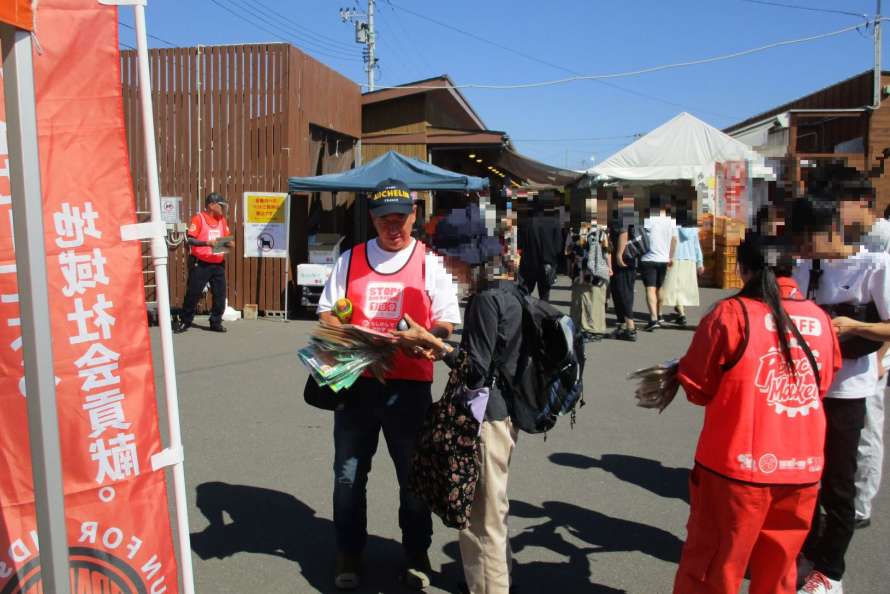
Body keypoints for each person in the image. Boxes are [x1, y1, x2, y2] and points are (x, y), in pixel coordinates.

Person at [673, 233, 841, 594]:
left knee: (715, 567)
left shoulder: (730, 314)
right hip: (802, 469)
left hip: (736, 469)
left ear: (741, 268)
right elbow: (822, 384)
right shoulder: (820, 319)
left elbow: (698, 388)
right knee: (779, 571)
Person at [316, 178, 461, 591]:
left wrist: (427, 335)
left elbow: (447, 322)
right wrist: (342, 326)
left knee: (413, 480)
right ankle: (350, 551)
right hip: (356, 385)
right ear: (373, 219)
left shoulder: (429, 262)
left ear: (415, 216)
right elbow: (328, 312)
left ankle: (416, 551)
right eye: (384, 220)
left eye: (401, 219)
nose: (393, 228)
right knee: (347, 477)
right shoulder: (350, 258)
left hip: (409, 388)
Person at [391, 203, 523, 594]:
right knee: (495, 509)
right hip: (508, 411)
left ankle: (489, 589)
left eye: (449, 261)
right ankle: (502, 578)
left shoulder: (484, 300)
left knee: (480, 518)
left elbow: (475, 370)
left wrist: (432, 344)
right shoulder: (511, 286)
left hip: (486, 414)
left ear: (467, 258)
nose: (448, 270)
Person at [790, 167, 890, 594]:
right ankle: (807, 554)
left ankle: (830, 573)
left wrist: (852, 326)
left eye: (809, 237)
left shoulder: (876, 264)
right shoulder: (804, 266)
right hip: (806, 389)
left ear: (832, 229)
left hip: (849, 389)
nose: (803, 247)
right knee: (804, 479)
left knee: (837, 485)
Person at [853, 192, 890, 530]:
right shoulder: (854, 237)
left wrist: (880, 356)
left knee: (867, 427)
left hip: (874, 348)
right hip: (849, 350)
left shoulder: (884, 237)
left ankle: (860, 504)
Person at [174, 192, 233, 333]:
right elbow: (191, 239)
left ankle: (216, 322)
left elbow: (227, 237)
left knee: (220, 294)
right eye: (220, 205)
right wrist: (206, 243)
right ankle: (185, 321)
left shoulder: (221, 220)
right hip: (200, 263)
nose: (222, 208)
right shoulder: (198, 219)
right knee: (193, 293)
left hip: (217, 263)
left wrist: (230, 243)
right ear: (211, 205)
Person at [565, 199, 610, 340]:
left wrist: (569, 269)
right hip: (596, 271)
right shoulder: (601, 230)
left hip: (579, 270)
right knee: (595, 299)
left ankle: (578, 326)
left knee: (578, 299)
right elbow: (606, 251)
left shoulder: (575, 230)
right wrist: (610, 268)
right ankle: (594, 328)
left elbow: (569, 252)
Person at [639, 194, 677, 331]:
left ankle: (653, 318)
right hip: (663, 258)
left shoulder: (646, 219)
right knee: (660, 287)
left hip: (648, 257)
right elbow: (674, 239)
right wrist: (671, 256)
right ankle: (660, 314)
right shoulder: (670, 220)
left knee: (650, 288)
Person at [517, 196, 563, 302]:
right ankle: (544, 316)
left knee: (525, 294)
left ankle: (528, 316)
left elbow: (519, 243)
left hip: (529, 262)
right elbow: (558, 243)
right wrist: (552, 254)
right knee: (545, 296)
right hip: (547, 261)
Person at [662, 208, 704, 326]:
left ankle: (681, 314)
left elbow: (670, 241)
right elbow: (697, 246)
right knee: (684, 288)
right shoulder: (693, 228)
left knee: (674, 287)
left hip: (674, 257)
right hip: (690, 259)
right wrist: (700, 263)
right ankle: (681, 311)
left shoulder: (673, 225)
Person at [609, 204, 638, 342]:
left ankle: (630, 327)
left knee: (623, 292)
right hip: (628, 259)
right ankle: (622, 325)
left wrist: (619, 255)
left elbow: (623, 233)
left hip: (623, 259)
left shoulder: (621, 213)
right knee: (619, 292)